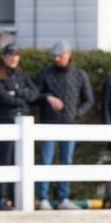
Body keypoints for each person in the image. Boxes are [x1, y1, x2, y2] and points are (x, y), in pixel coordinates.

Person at [34, 40, 94, 210]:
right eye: (55, 56)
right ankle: (43, 198)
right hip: (48, 123)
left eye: (60, 56)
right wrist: (47, 97)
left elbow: (88, 100)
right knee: (46, 161)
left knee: (66, 162)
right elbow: (34, 95)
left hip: (69, 124)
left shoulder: (79, 75)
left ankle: (63, 198)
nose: (57, 59)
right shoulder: (45, 74)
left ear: (69, 55)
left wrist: (76, 113)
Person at [0, 43, 39, 210]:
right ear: (4, 56)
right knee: (5, 161)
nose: (14, 58)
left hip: (23, 123)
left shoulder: (21, 75)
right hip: (6, 122)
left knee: (21, 161)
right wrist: (21, 98)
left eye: (16, 55)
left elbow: (34, 93)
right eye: (11, 55)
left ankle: (17, 198)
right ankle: (2, 198)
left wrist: (18, 94)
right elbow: (2, 97)